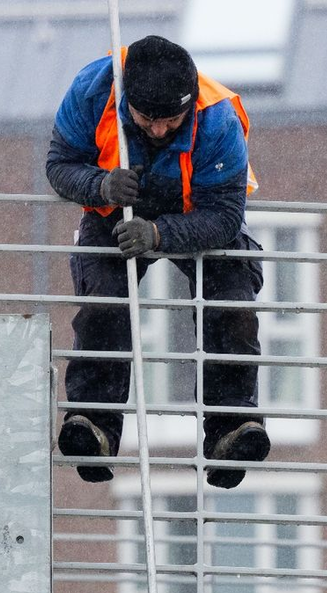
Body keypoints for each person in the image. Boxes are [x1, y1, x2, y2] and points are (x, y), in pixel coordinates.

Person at [47, 34, 270, 489]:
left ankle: (230, 428)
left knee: (232, 302)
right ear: (128, 99)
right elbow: (59, 165)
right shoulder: (92, 90)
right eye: (148, 119)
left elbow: (226, 216)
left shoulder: (219, 120)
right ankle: (93, 424)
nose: (160, 131)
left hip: (199, 215)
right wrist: (102, 187)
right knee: (104, 302)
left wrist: (160, 234)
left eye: (172, 120)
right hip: (112, 210)